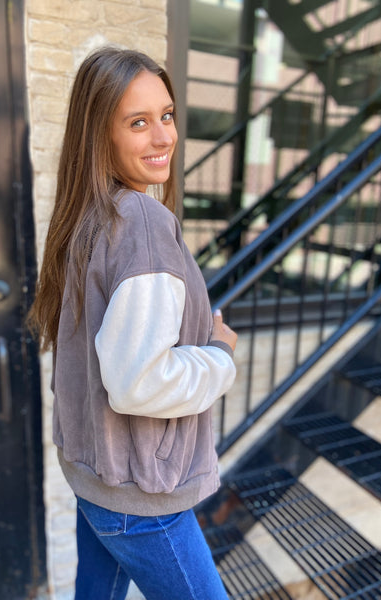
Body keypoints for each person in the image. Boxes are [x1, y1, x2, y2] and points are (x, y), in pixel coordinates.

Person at [28, 46, 238, 600]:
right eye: (138, 122)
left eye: (166, 115)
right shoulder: (141, 223)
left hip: (97, 480)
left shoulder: (88, 216)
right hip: (141, 498)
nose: (164, 136)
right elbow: (139, 381)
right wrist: (219, 357)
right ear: (102, 135)